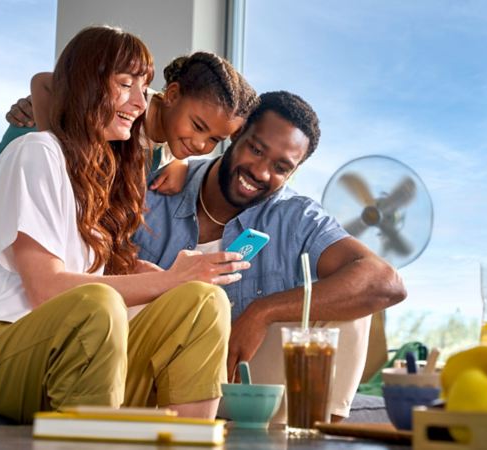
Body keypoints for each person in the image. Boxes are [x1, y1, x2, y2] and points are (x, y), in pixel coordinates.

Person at [0, 26, 251, 424]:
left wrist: (164, 277)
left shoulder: (107, 173)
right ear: (87, 83)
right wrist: (169, 281)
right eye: (125, 84)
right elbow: (48, 288)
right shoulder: (37, 152)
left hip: (71, 349)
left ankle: (189, 440)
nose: (139, 102)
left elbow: (90, 268)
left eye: (143, 86)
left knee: (204, 301)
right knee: (97, 305)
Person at [133, 91, 407, 420]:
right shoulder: (157, 186)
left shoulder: (296, 217)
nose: (261, 172)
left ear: (293, 173)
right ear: (236, 132)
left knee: (355, 307)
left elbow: (385, 282)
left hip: (236, 374)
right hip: (149, 369)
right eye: (256, 149)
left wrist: (263, 313)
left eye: (281, 167)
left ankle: (316, 439)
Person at [0, 51, 259, 194]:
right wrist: (55, 145)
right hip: (11, 204)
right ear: (173, 95)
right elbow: (45, 82)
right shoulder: (121, 104)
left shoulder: (166, 152)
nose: (201, 143)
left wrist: (181, 163)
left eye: (215, 139)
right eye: (199, 126)